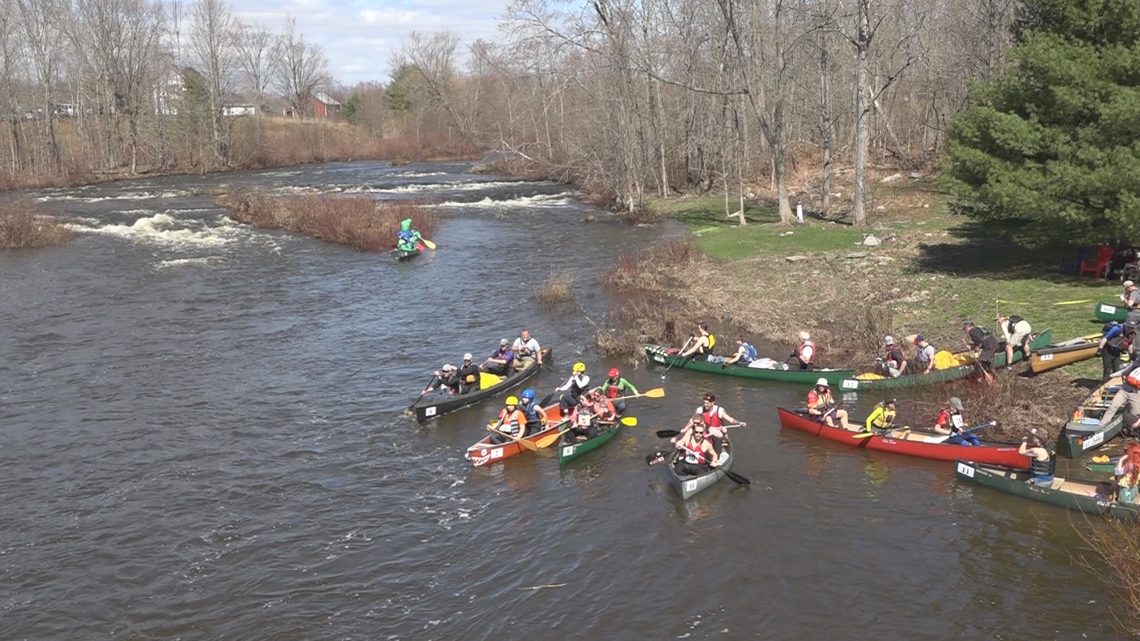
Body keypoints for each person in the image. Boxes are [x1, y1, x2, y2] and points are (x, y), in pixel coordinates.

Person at [673, 393, 746, 454]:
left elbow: (730, 419)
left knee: (723, 432)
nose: (705, 405)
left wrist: (739, 422)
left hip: (717, 431)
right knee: (690, 431)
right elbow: (692, 420)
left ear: (712, 403)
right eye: (704, 403)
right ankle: (681, 445)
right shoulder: (700, 410)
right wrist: (685, 429)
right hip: (703, 430)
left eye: (707, 403)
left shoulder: (719, 410)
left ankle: (718, 450)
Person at [1098, 362, 1140, 437]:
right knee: (1113, 407)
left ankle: (1134, 432)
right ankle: (1101, 427)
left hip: (1136, 394)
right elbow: (1123, 372)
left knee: (1135, 415)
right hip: (1124, 391)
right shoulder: (1135, 365)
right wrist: (1111, 376)